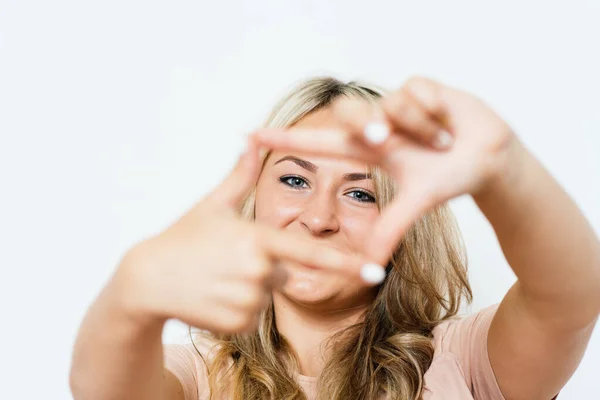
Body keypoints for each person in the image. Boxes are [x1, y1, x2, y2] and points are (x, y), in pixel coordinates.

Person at [70, 76, 599, 400]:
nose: (319, 218)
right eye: (295, 180)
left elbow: (571, 299)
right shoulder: (198, 377)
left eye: (360, 194)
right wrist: (129, 297)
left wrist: (508, 172)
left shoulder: (460, 363)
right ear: (255, 199)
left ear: (405, 220)